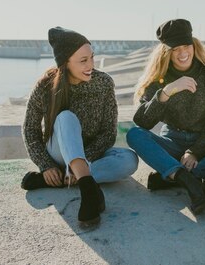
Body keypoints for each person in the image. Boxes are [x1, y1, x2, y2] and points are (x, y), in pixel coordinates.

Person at [126, 19, 205, 215]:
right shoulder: (159, 77)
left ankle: (174, 175)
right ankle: (188, 179)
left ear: (194, 45)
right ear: (166, 51)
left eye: (186, 46)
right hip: (172, 142)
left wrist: (194, 151)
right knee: (134, 135)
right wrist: (166, 92)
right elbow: (143, 121)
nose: (182, 53)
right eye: (175, 48)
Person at [21, 27, 138, 227]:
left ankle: (61, 178)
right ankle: (88, 190)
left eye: (92, 57)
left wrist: (83, 161)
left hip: (91, 153)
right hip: (58, 152)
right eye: (83, 60)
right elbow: (30, 129)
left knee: (129, 160)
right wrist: (46, 164)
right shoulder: (46, 85)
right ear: (65, 63)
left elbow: (109, 133)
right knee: (66, 117)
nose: (90, 65)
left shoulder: (103, 83)